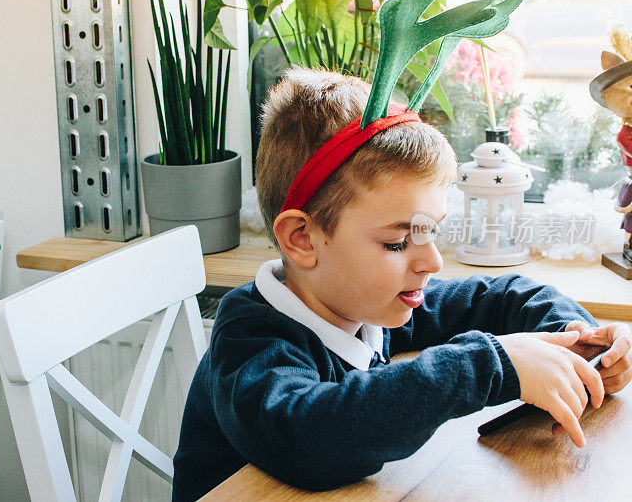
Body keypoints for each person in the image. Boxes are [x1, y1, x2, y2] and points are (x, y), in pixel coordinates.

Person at [171, 68, 632, 501]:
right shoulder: (250, 338)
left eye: (431, 230)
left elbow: (505, 296)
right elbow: (309, 437)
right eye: (397, 241)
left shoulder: (363, 304)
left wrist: (577, 341)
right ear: (302, 239)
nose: (430, 261)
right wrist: (490, 365)